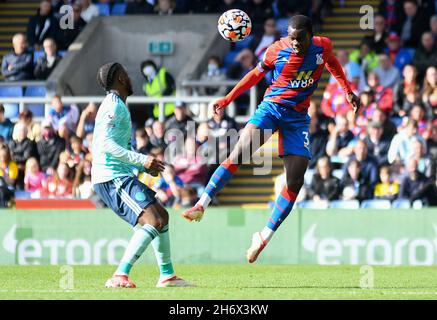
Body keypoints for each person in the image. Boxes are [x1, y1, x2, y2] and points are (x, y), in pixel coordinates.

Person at [182, 15, 360, 263]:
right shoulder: (276, 49)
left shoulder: (324, 46)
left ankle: (263, 236)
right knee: (239, 154)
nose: (294, 43)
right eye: (291, 37)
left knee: (295, 182)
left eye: (299, 39)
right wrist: (227, 99)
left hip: (297, 119)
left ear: (310, 34)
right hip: (271, 109)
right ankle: (202, 204)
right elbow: (254, 76)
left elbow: (332, 64)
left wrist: (347, 90)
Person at [92, 62, 192, 288]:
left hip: (120, 175)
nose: (130, 76)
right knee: (154, 220)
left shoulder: (117, 104)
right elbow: (106, 144)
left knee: (162, 217)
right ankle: (120, 274)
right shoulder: (113, 106)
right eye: (126, 73)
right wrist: (141, 160)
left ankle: (167, 276)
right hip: (111, 178)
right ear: (120, 79)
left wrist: (142, 165)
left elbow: (117, 144)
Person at [9, 123, 37, 190]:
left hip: (24, 168)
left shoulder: (29, 143)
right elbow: (10, 156)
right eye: (20, 130)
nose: (22, 132)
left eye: (24, 130)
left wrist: (14, 158)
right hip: (13, 167)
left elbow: (26, 157)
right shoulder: (12, 143)